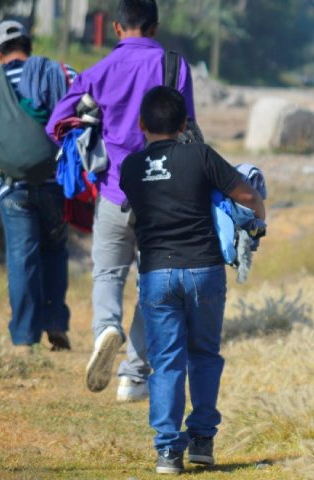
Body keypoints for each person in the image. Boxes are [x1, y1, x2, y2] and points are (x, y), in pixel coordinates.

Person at [47, 0, 197, 401]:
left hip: (114, 192)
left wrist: (92, 124)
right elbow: (189, 129)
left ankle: (105, 330)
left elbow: (56, 124)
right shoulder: (174, 66)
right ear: (155, 27)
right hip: (163, 200)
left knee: (108, 274)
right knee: (154, 284)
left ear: (115, 28)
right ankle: (133, 375)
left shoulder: (99, 72)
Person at [119, 86, 265, 474]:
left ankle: (168, 452)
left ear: (141, 124)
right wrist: (259, 220)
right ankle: (201, 441)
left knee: (166, 362)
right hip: (204, 270)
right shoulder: (200, 155)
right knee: (204, 355)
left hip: (156, 274)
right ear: (185, 123)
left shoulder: (130, 167)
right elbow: (247, 196)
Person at [0, 20, 76, 354]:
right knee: (55, 250)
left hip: (12, 187)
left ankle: (24, 338)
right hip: (56, 182)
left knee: (22, 257)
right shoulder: (60, 73)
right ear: (29, 45)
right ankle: (54, 322)